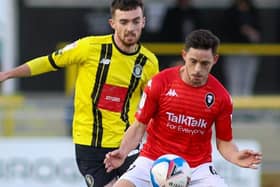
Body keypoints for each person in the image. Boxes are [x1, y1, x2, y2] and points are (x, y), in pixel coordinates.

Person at [0, 0, 159, 186]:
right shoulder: (89, 47)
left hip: (128, 145)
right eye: (123, 22)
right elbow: (48, 62)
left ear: (143, 22)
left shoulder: (149, 62)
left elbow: (152, 107)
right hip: (89, 146)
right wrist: (7, 74)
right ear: (112, 23)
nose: (130, 28)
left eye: (135, 21)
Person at [104, 29, 262, 187]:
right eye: (193, 61)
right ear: (184, 55)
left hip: (197, 168)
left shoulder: (222, 97)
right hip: (153, 159)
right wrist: (123, 152)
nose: (198, 69)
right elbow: (139, 126)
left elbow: (224, 142)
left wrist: (235, 156)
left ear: (215, 60)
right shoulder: (160, 83)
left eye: (205, 63)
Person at [221, 0, 261, 96]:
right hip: (233, 50)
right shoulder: (230, 12)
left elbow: (259, 31)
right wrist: (241, 31)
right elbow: (225, 32)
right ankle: (234, 107)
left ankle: (246, 107)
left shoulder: (253, 11)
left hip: (250, 51)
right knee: (234, 81)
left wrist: (251, 33)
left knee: (247, 82)